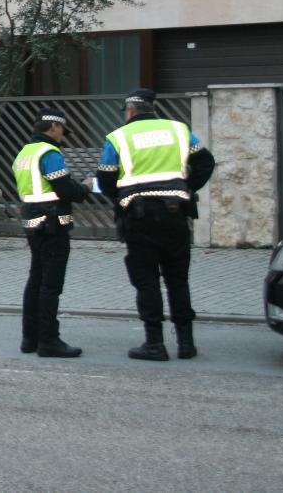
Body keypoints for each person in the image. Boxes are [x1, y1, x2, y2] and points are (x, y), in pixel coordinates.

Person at [97, 88, 216, 361]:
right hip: (175, 214)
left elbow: (105, 178)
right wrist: (184, 188)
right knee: (178, 280)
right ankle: (186, 344)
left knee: (146, 281)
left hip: (138, 217)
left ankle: (154, 344)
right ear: (152, 108)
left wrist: (121, 198)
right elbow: (206, 162)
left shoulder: (118, 137)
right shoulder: (179, 130)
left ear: (130, 111)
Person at [14, 108, 91, 358]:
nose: (63, 137)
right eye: (62, 131)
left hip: (33, 221)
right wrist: (85, 188)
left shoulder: (24, 153)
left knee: (35, 280)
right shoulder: (49, 153)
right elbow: (65, 189)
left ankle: (30, 339)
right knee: (51, 285)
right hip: (53, 223)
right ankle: (49, 341)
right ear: (53, 127)